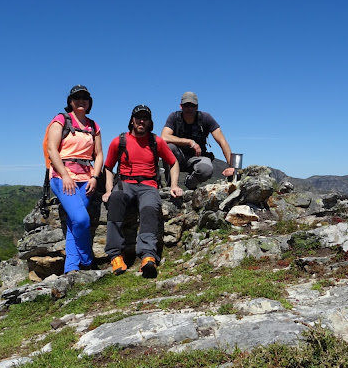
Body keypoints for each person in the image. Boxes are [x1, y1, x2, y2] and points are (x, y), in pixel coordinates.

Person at [102, 105, 183, 279]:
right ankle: (115, 255)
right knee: (115, 199)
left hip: (149, 185)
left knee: (150, 208)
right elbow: (108, 167)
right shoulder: (119, 141)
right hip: (125, 183)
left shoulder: (156, 141)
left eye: (145, 118)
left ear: (149, 122)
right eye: (138, 117)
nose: (141, 121)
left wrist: (174, 184)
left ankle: (148, 257)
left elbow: (173, 162)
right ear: (132, 120)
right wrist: (109, 189)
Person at [47, 85, 103, 273]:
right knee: (81, 219)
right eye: (77, 97)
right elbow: (52, 150)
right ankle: (87, 261)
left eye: (85, 98)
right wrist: (65, 175)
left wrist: (95, 177)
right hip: (62, 178)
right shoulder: (61, 120)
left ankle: (71, 268)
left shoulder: (93, 126)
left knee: (73, 222)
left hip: (86, 180)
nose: (81, 101)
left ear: (89, 102)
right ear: (70, 102)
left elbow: (99, 154)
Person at [161, 91, 235, 190]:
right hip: (178, 158)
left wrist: (232, 166)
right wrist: (190, 142)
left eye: (192, 105)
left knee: (206, 170)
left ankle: (190, 183)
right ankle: (171, 186)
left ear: (197, 106)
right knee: (168, 147)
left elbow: (222, 141)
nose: (189, 108)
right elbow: (164, 137)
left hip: (198, 158)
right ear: (181, 106)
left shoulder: (206, 118)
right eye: (186, 105)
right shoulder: (174, 117)